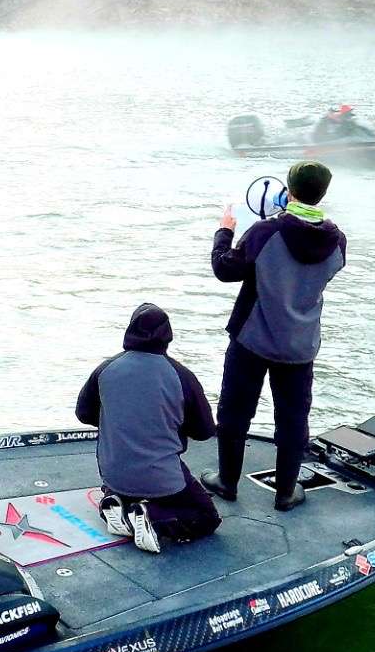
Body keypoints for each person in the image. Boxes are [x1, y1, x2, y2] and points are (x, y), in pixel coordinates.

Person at [205, 159, 347, 512]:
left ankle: (227, 482)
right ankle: (285, 492)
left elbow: (225, 269)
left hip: (252, 338)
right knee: (293, 418)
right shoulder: (337, 240)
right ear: (323, 193)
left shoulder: (266, 232)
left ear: (290, 188)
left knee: (235, 412)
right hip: (300, 344)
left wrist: (225, 231)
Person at [75, 303, 219, 553]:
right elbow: (204, 430)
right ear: (167, 336)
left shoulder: (105, 369)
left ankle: (113, 503)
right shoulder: (181, 375)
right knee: (205, 516)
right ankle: (152, 517)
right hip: (162, 478)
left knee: (125, 486)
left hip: (113, 473)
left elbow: (84, 414)